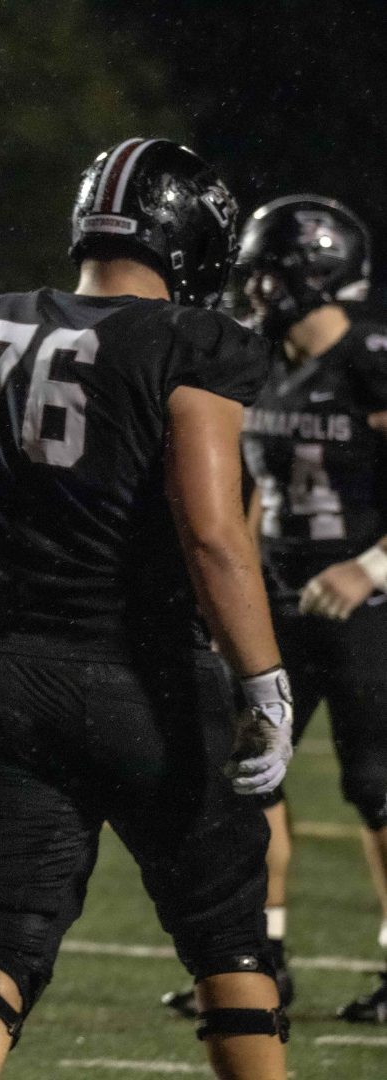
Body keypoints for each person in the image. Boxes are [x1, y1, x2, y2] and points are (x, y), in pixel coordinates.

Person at [0, 138, 292, 1080]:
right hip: (145, 672)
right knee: (229, 946)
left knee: (1, 941)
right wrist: (265, 681)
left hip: (7, 671)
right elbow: (215, 536)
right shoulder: (193, 341)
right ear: (188, 234)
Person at [226, 195, 387, 1024]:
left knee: (377, 786)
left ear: (313, 277)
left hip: (368, 601)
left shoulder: (371, 358)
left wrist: (369, 567)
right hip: (280, 599)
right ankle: (261, 959)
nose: (254, 288)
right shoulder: (265, 361)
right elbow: (252, 493)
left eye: (269, 272)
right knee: (252, 776)